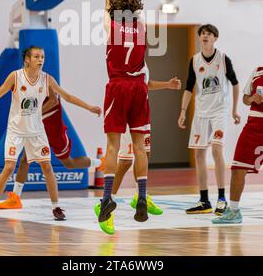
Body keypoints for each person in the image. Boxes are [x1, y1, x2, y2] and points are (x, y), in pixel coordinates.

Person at [0, 46, 101, 222]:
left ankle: (56, 207)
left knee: (47, 167)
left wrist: (89, 107)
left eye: (42, 56)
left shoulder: (47, 79)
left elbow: (67, 97)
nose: (41, 59)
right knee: (8, 168)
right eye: (37, 56)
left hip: (37, 132)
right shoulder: (15, 77)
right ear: (27, 59)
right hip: (16, 132)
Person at [97, 0, 151, 234]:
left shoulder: (112, 26)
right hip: (139, 87)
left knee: (112, 145)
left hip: (118, 86)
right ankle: (142, 195)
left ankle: (107, 197)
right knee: (139, 146)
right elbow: (132, 9)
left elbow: (110, 8)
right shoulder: (141, 27)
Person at [94, 73, 181, 234]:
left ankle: (140, 194)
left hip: (141, 108)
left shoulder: (141, 60)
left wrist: (167, 84)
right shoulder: (125, 59)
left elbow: (146, 83)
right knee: (126, 160)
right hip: (127, 110)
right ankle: (105, 204)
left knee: (145, 154)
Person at [0, 87, 103, 210]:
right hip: (37, 131)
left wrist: (89, 107)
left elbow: (55, 101)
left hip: (55, 133)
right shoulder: (25, 83)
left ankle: (100, 162)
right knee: (25, 160)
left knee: (69, 163)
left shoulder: (46, 81)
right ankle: (15, 199)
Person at [177, 24, 240, 215]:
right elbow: (189, 87)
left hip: (219, 111)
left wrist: (234, 110)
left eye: (209, 34)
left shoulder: (223, 58)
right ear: (200, 38)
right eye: (203, 33)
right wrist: (182, 111)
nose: (205, 36)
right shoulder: (195, 60)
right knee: (198, 155)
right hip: (201, 113)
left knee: (216, 149)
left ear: (215, 38)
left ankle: (222, 198)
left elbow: (235, 84)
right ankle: (204, 200)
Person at [212, 66, 263, 224]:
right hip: (254, 127)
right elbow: (245, 98)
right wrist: (251, 99)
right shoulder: (257, 71)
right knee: (237, 168)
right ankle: (234, 211)